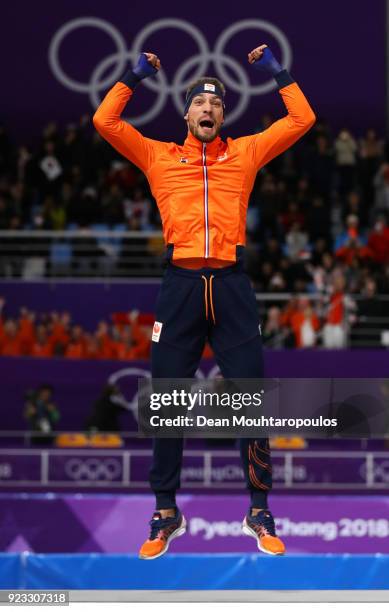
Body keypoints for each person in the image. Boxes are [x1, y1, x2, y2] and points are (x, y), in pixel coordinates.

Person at [94, 43, 315, 559]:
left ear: (224, 114)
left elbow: (302, 117)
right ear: (186, 111)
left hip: (233, 286)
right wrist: (133, 75)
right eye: (200, 103)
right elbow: (106, 120)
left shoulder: (246, 152)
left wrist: (277, 72)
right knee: (169, 400)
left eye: (217, 104)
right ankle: (166, 511)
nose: (209, 110)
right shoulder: (157, 156)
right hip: (181, 287)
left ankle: (259, 511)